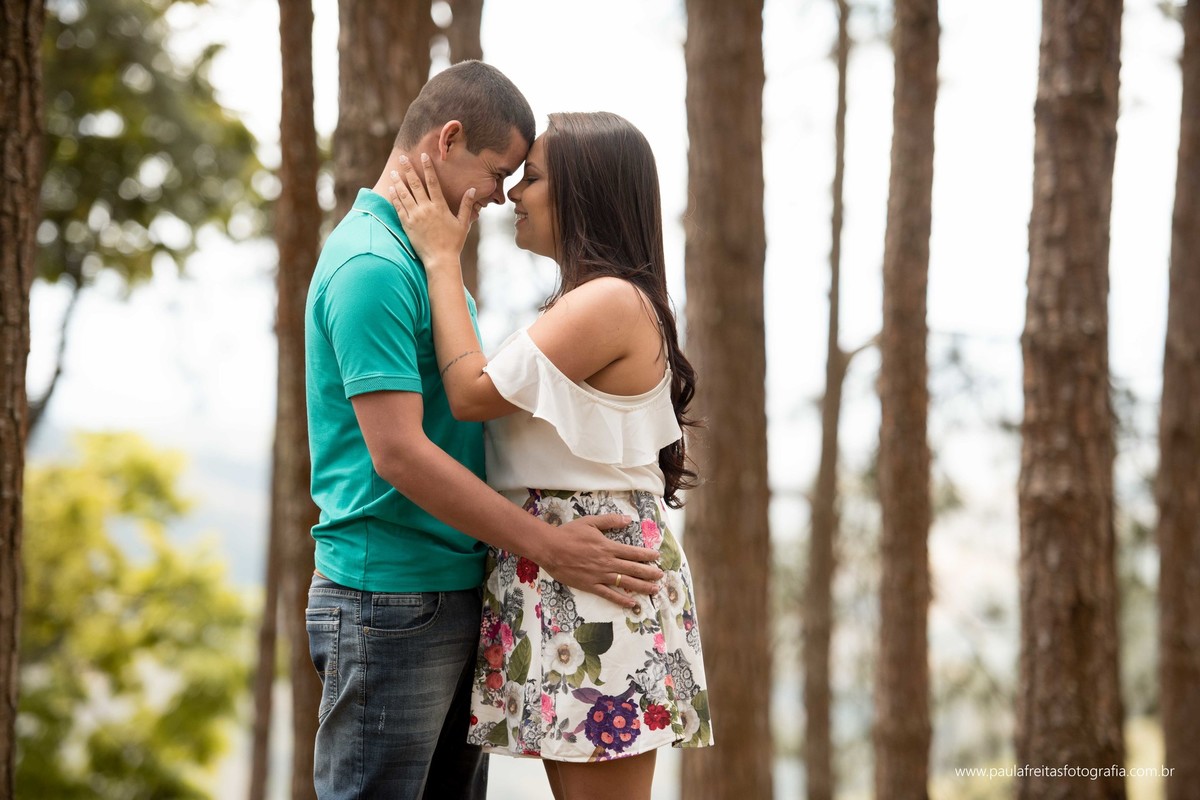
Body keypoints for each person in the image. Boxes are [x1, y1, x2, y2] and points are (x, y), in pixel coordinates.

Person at [303, 64, 663, 800]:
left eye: (522, 178)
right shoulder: (374, 265)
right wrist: (544, 545)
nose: (503, 196)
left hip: (450, 588)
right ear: (450, 139)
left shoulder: (427, 263)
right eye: (501, 173)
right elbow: (399, 451)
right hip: (391, 596)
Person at [387, 111, 714, 800]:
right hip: (563, 572)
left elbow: (474, 393)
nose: (511, 194)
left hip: (594, 575)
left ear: (583, 192)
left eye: (530, 178)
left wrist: (442, 258)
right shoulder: (586, 300)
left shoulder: (607, 302)